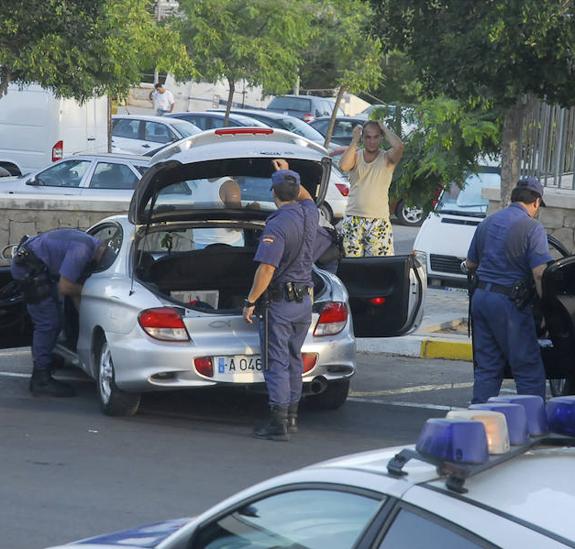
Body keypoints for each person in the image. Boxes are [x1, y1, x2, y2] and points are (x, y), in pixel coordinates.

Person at [242, 161, 318, 441]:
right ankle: (293, 416)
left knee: (277, 362)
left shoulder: (278, 224)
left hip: (281, 304)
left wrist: (251, 301)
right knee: (294, 358)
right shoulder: (310, 214)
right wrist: (289, 172)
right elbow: (307, 197)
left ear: (273, 193)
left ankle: (278, 422)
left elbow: (266, 269)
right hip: (304, 303)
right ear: (296, 190)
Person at [465, 176, 552, 403]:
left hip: (481, 299)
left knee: (487, 367)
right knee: (528, 368)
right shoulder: (532, 228)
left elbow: (471, 264)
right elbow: (540, 272)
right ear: (536, 202)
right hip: (509, 306)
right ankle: (533, 427)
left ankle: (481, 422)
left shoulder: (487, 223)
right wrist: (546, 310)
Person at [11, 229, 113, 397]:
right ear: (101, 254)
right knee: (49, 322)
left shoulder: (87, 242)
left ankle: (49, 357)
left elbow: (72, 291)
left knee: (55, 315)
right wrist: (90, 291)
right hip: (29, 268)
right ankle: (41, 379)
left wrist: (86, 319)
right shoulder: (83, 250)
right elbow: (65, 287)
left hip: (35, 263)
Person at [339, 120, 404, 257]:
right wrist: (355, 140)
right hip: (353, 219)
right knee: (351, 267)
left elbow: (399, 147)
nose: (372, 141)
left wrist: (384, 128)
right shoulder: (356, 156)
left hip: (378, 221)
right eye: (368, 137)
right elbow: (344, 166)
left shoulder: (387, 158)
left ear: (381, 138)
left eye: (376, 137)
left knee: (379, 268)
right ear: (363, 138)